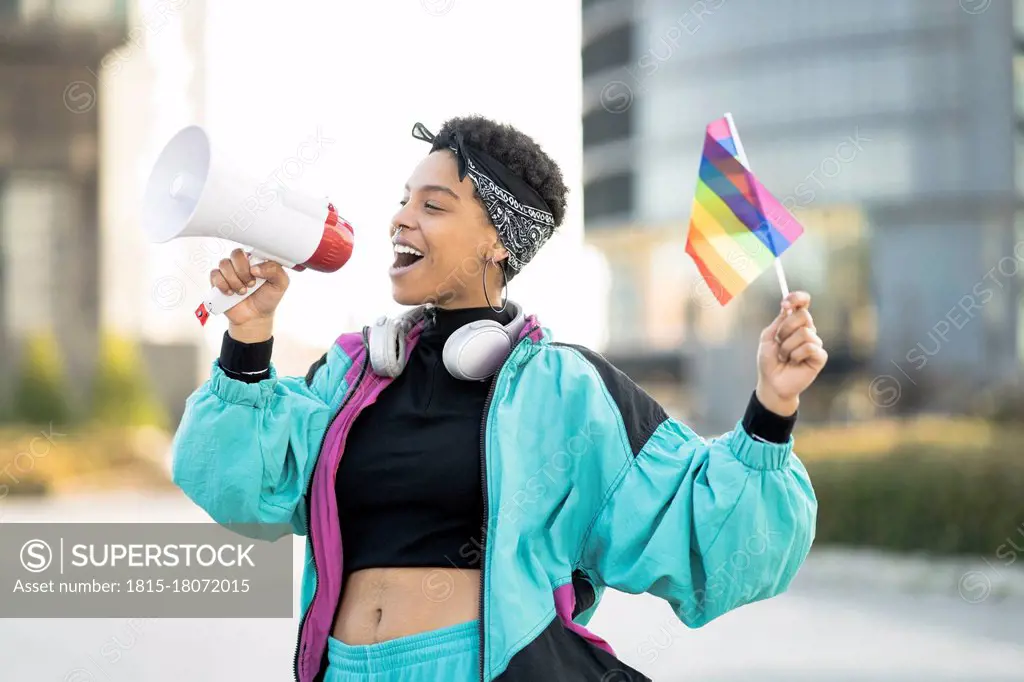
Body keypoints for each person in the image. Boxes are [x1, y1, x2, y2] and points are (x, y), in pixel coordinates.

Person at [171, 115, 825, 682]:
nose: (400, 217)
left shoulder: (566, 390)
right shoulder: (351, 375)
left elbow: (710, 541)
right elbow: (242, 489)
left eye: (432, 205)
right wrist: (249, 338)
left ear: (497, 240)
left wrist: (771, 405)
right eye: (404, 200)